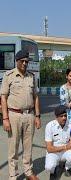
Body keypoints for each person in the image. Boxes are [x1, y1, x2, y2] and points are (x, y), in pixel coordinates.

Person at [1, 50, 41, 180]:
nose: (24, 63)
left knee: (28, 146)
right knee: (13, 147)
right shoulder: (9, 76)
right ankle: (13, 175)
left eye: (26, 62)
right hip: (14, 115)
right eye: (22, 61)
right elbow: (3, 97)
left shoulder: (31, 76)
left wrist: (37, 116)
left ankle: (28, 171)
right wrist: (5, 118)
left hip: (29, 115)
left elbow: (35, 97)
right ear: (16, 61)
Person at [45, 105, 71, 179]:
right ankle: (53, 171)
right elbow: (49, 148)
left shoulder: (70, 125)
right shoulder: (50, 126)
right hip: (54, 152)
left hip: (66, 151)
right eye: (61, 116)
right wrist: (65, 146)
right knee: (49, 167)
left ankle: (67, 168)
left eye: (65, 116)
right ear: (56, 117)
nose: (64, 118)